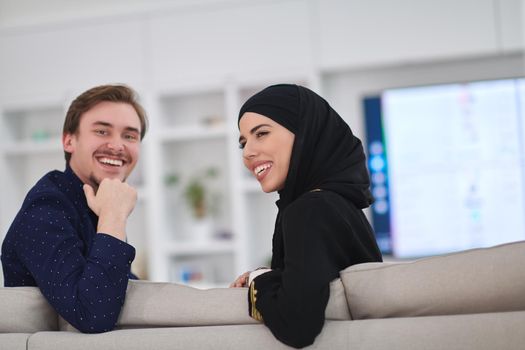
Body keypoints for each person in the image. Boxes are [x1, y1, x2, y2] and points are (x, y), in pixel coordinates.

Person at [231, 84, 383, 348]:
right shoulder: (337, 205)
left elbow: (297, 325)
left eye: (262, 133)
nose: (247, 152)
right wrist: (272, 277)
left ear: (305, 133)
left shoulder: (309, 210)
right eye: (243, 142)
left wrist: (259, 281)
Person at [1, 84, 148, 333]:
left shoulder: (91, 202)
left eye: (130, 136)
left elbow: (122, 290)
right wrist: (114, 216)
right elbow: (94, 315)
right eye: (102, 131)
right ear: (69, 140)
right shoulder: (46, 208)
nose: (117, 145)